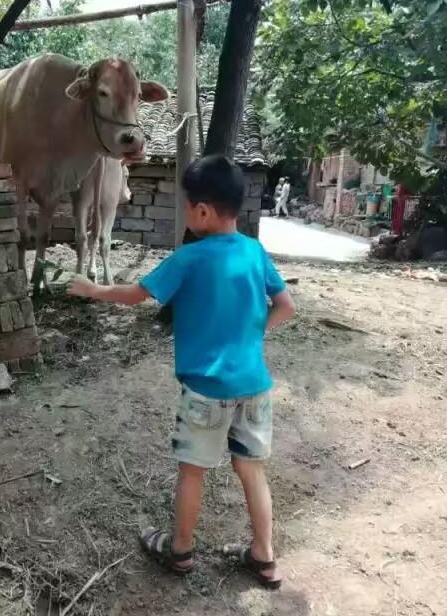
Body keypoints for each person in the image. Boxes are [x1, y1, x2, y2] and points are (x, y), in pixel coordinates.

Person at [68, 154, 296, 589]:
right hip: (255, 386)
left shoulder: (189, 258)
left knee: (193, 472)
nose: (185, 213)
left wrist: (92, 289)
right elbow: (286, 307)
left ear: (203, 211)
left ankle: (181, 550)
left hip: (206, 390)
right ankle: (265, 557)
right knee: (252, 470)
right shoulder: (254, 252)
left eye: (186, 206)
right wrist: (251, 336)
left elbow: (135, 295)